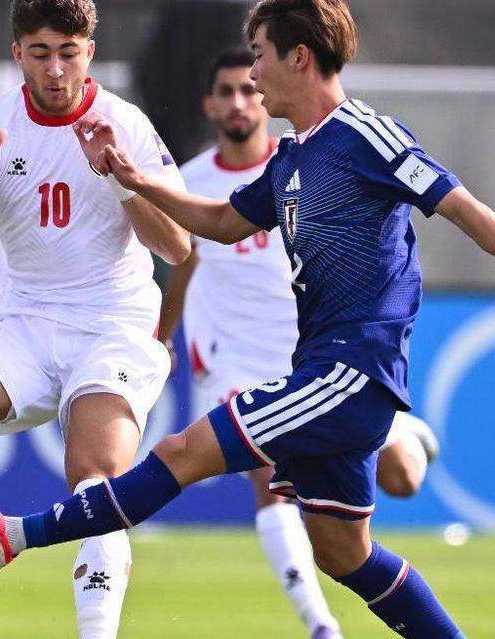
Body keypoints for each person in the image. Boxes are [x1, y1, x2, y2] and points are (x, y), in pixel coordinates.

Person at [0, 1, 495, 637]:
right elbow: (222, 223)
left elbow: (458, 202)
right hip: (324, 368)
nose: (253, 75)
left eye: (259, 55)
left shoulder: (366, 135)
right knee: (344, 555)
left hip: (350, 372)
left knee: (181, 451)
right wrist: (132, 178)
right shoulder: (289, 157)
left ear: (298, 58)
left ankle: (13, 535)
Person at [0, 1, 190, 637]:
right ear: (18, 55)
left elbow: (177, 247)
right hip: (25, 322)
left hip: (112, 325)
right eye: (40, 53)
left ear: (90, 52)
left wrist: (122, 181)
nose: (56, 70)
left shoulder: (124, 124)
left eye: (68, 53)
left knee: (95, 480)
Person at [161, 47, 440, 639]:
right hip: (232, 356)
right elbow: (186, 261)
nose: (239, 101)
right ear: (211, 105)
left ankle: (408, 434)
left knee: (401, 479)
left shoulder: (301, 163)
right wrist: (162, 335)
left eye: (247, 87)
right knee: (268, 479)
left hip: (314, 356)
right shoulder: (193, 180)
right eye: (226, 92)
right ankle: (320, 625)